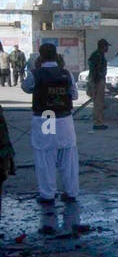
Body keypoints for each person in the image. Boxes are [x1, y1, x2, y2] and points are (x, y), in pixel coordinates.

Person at [21, 43, 79, 203]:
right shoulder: (67, 74)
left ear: (40, 56)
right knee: (68, 160)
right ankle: (71, 192)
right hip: (64, 120)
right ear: (56, 55)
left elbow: (25, 88)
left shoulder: (36, 74)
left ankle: (48, 194)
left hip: (46, 118)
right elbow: (74, 95)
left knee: (46, 157)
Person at [87, 38, 110, 130]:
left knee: (99, 102)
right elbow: (96, 70)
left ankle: (99, 121)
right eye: (106, 46)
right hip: (97, 81)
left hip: (97, 80)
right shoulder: (98, 56)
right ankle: (98, 123)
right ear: (103, 46)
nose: (107, 48)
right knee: (98, 103)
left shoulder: (98, 55)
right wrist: (96, 83)